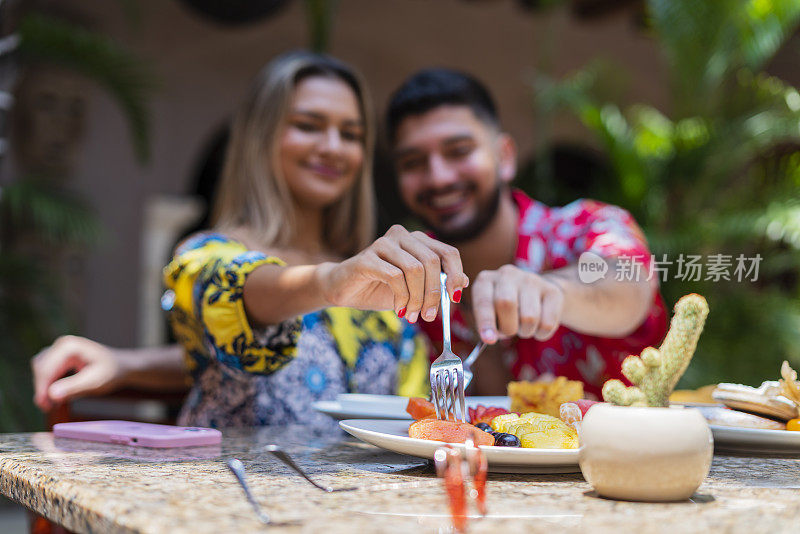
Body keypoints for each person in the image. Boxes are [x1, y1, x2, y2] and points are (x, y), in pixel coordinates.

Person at [32, 51, 468, 428]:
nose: (333, 146)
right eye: (308, 124)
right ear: (261, 137)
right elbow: (244, 296)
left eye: (351, 134)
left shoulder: (373, 276)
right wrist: (332, 282)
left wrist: (132, 365)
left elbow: (243, 364)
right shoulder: (206, 255)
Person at [385, 68, 667, 398]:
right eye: (413, 162)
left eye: (458, 151)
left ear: (505, 156)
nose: (438, 177)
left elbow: (629, 283)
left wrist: (553, 289)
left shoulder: (588, 225)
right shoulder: (410, 273)